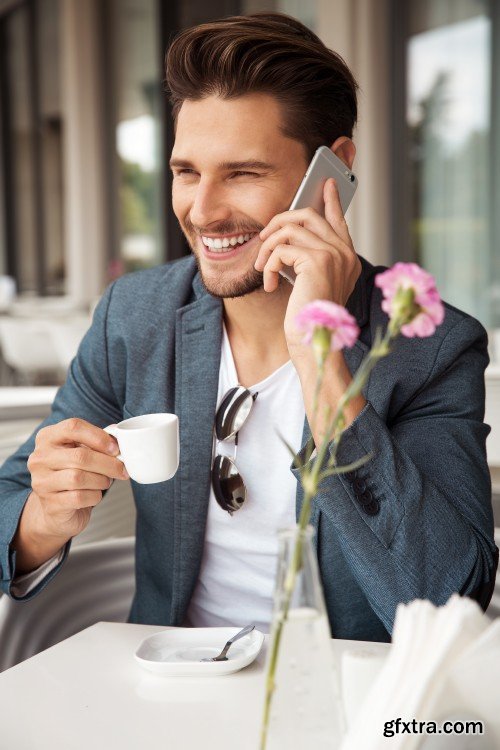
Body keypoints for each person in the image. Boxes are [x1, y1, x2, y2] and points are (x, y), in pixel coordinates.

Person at [0, 12, 497, 642]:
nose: (202, 211)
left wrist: (319, 356)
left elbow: (449, 594)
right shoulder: (135, 317)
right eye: (187, 172)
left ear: (333, 172)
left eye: (243, 173)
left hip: (349, 708)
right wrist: (44, 516)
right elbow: (10, 502)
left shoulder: (433, 348)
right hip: (174, 697)